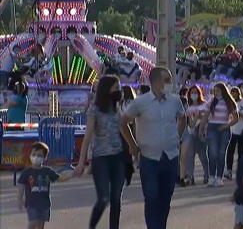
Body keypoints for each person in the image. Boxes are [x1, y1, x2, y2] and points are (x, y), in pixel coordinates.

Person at [120, 67, 186, 229]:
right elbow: (122, 122)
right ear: (155, 82)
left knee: (165, 198)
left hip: (170, 156)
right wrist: (132, 144)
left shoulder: (174, 101)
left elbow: (182, 118)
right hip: (149, 157)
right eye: (167, 80)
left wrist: (177, 136)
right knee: (151, 197)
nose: (170, 83)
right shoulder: (140, 103)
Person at [74, 75, 126, 229]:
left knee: (116, 199)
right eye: (116, 88)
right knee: (103, 198)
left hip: (118, 157)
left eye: (119, 88)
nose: (119, 91)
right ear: (106, 89)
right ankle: (92, 226)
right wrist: (81, 163)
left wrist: (134, 147)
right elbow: (88, 137)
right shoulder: (94, 110)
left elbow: (124, 128)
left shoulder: (117, 108)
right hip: (101, 158)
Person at [17, 142, 73, 229]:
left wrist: (73, 174)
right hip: (32, 204)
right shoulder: (26, 172)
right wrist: (19, 199)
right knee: (33, 222)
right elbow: (21, 186)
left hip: (44, 203)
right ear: (30, 155)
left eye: (39, 155)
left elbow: (60, 178)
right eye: (34, 154)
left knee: (40, 224)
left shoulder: (47, 171)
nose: (36, 157)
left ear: (44, 157)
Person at [199, 82, 238, 187]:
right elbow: (205, 116)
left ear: (223, 91)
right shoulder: (211, 101)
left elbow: (236, 118)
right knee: (212, 153)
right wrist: (201, 128)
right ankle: (211, 177)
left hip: (224, 128)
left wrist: (226, 126)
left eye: (218, 91)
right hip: (212, 127)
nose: (216, 93)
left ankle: (219, 177)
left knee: (221, 153)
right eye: (214, 91)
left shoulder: (229, 102)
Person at [185, 85, 209, 185]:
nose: (194, 94)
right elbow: (190, 123)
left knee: (202, 155)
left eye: (196, 92)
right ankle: (190, 176)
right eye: (192, 93)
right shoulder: (188, 106)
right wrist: (194, 117)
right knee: (190, 156)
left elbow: (208, 118)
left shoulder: (205, 104)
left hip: (202, 132)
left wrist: (201, 116)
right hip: (191, 133)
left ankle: (207, 174)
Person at [225, 87, 243, 180]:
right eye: (232, 94)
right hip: (232, 131)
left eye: (236, 94)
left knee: (241, 152)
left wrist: (238, 114)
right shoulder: (229, 104)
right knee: (230, 151)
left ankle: (240, 171)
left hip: (242, 130)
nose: (234, 96)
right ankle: (229, 170)